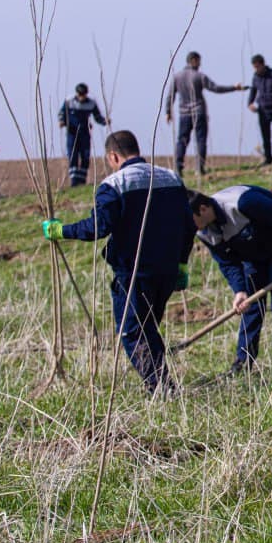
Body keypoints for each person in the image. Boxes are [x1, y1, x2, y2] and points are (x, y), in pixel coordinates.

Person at [41, 130, 196, 395]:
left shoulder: (115, 184)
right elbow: (189, 225)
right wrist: (181, 264)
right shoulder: (171, 177)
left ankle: (163, 390)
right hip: (167, 269)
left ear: (113, 156)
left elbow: (98, 227)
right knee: (148, 328)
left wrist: (61, 231)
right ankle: (163, 385)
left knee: (133, 333)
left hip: (135, 271)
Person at [189, 185, 272, 374]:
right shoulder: (204, 232)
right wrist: (239, 290)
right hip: (251, 253)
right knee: (250, 303)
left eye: (191, 219)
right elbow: (227, 262)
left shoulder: (242, 202)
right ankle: (243, 362)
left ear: (203, 209)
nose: (190, 225)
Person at [165, 51, 245, 178]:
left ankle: (178, 167)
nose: (200, 64)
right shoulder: (199, 76)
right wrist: (234, 88)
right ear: (194, 60)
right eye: (199, 61)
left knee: (182, 140)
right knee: (200, 140)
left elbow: (170, 95)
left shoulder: (177, 77)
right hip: (199, 112)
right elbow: (216, 88)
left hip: (184, 113)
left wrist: (168, 112)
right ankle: (199, 168)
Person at [58, 83, 108, 187]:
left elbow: (97, 117)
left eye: (83, 94)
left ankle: (82, 181)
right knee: (73, 156)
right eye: (80, 94)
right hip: (72, 133)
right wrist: (62, 121)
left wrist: (105, 121)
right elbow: (61, 113)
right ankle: (74, 182)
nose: (81, 97)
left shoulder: (91, 103)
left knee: (85, 156)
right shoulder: (69, 101)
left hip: (85, 133)